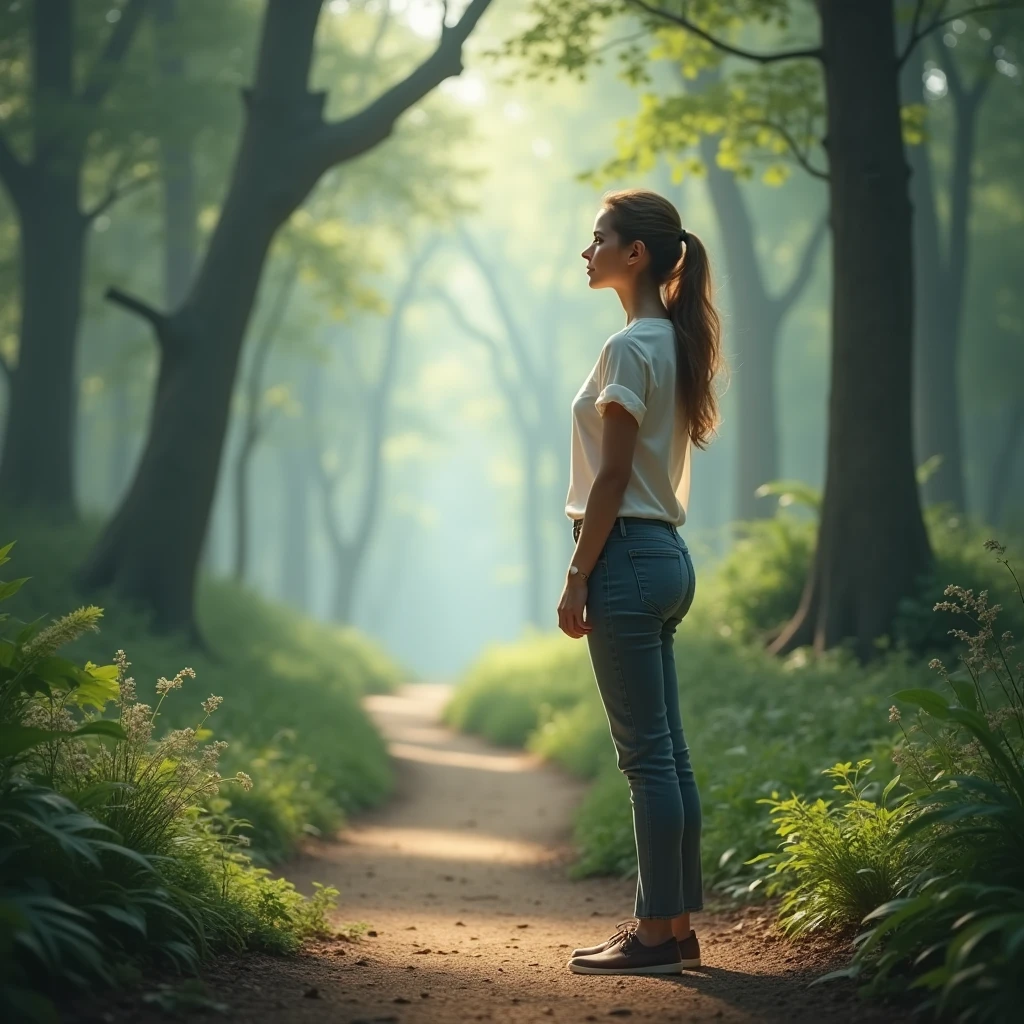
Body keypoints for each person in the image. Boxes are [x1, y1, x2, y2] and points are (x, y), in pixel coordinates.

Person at [559, 188, 725, 976]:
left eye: (598, 239)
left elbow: (613, 475)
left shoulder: (629, 348)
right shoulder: (675, 342)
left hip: (625, 555)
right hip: (668, 556)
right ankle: (674, 926)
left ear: (636, 254)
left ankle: (656, 938)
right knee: (670, 756)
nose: (585, 252)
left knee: (646, 761)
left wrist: (575, 575)